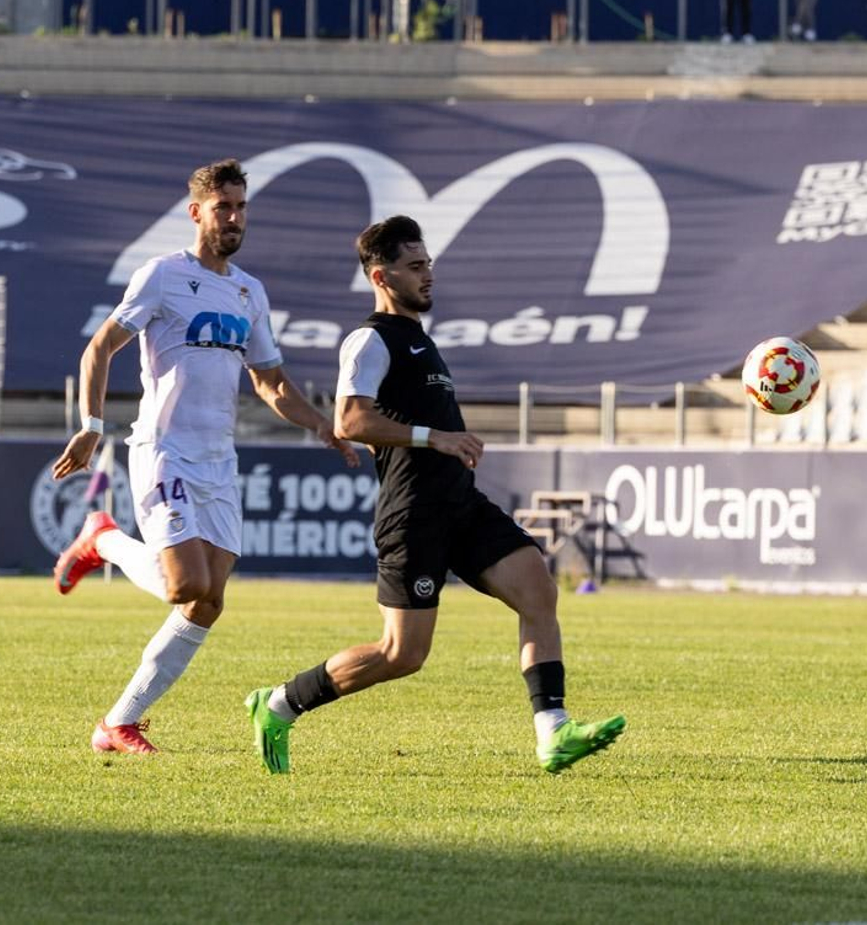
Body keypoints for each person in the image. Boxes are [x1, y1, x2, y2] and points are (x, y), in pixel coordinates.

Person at [244, 215, 626, 775]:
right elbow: (350, 420)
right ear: (381, 276)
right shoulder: (370, 339)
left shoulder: (420, 339)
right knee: (402, 654)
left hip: (461, 503)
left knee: (538, 591)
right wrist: (435, 437)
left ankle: (554, 731)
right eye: (415, 266)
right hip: (413, 513)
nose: (428, 275)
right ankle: (279, 703)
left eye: (429, 264)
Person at [50, 158, 358, 754]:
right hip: (164, 450)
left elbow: (270, 382)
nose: (234, 218)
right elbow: (100, 348)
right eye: (223, 208)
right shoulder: (163, 275)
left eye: (241, 207)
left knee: (208, 601)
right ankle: (103, 538)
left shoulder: (249, 291)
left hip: (218, 461)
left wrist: (322, 426)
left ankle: (118, 723)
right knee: (184, 583)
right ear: (197, 213)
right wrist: (91, 426)